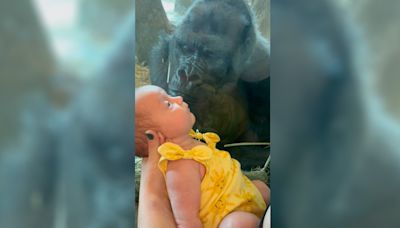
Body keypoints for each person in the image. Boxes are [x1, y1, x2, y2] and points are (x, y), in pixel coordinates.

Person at [135, 85, 270, 228]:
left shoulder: (191, 142)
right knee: (238, 223)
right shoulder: (180, 167)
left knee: (262, 188)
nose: (179, 98)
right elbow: (187, 221)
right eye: (168, 104)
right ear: (157, 135)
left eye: (170, 96)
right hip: (225, 215)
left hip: (241, 194)